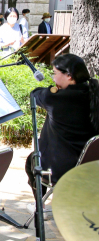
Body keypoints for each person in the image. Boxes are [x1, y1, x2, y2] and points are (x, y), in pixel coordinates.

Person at [25, 54, 99, 212]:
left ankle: (41, 207)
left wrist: (53, 89)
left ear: (69, 76)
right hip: (91, 166)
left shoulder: (56, 98)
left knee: (32, 160)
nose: (53, 77)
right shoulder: (93, 93)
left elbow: (35, 94)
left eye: (55, 73)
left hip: (63, 169)